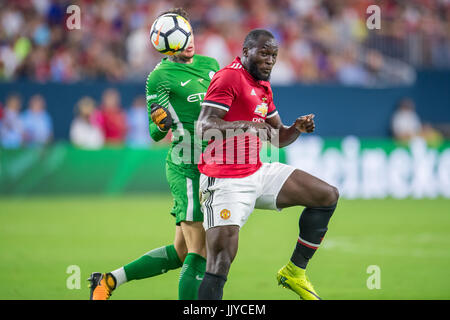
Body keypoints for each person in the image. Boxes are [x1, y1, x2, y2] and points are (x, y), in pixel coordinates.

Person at [196, 29, 339, 300]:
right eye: (264, 53)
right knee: (221, 262)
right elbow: (204, 126)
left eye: (273, 55)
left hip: (257, 171)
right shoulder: (229, 77)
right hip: (225, 179)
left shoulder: (263, 86)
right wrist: (245, 125)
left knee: (326, 195)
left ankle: (294, 272)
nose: (270, 60)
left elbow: (276, 137)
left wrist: (295, 128)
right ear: (246, 51)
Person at [88, 8, 220, 300]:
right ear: (166, 45)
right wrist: (160, 122)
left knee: (180, 252)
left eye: (189, 33)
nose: (189, 41)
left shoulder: (211, 64)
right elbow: (156, 132)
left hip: (212, 166)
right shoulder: (159, 77)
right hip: (185, 166)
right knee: (201, 251)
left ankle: (109, 281)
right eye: (181, 37)